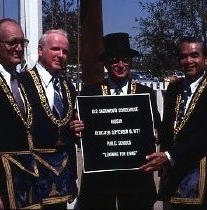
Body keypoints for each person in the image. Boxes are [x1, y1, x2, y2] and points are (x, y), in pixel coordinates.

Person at [70, 32, 161, 210]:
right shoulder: (89, 94)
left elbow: (155, 126)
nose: (120, 65)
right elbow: (79, 136)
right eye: (114, 60)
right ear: (106, 64)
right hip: (101, 180)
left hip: (136, 178)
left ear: (131, 63)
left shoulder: (145, 94)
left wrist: (156, 132)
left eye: (125, 60)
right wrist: (75, 129)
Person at [140, 37, 207, 210]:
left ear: (205, 59)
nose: (188, 61)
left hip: (201, 174)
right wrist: (154, 131)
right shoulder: (174, 88)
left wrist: (169, 156)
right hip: (173, 175)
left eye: (194, 55)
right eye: (183, 56)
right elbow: (170, 127)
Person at [20, 29, 78, 209]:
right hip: (31, 177)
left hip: (62, 176)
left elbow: (69, 135)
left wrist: (76, 129)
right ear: (40, 50)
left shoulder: (68, 86)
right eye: (55, 49)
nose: (61, 55)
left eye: (65, 51)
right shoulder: (22, 83)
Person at [0, 18, 37, 209]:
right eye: (12, 42)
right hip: (1, 185)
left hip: (28, 184)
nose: (19, 48)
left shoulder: (24, 81)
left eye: (22, 42)